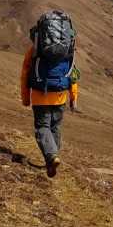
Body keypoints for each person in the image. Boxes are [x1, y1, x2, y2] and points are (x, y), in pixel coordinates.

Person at [20, 10, 79, 178]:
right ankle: (52, 159)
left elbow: (25, 74)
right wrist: (74, 98)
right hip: (60, 94)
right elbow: (72, 74)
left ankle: (51, 156)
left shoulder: (34, 51)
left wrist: (26, 98)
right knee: (55, 127)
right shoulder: (68, 51)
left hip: (40, 94)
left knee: (42, 127)